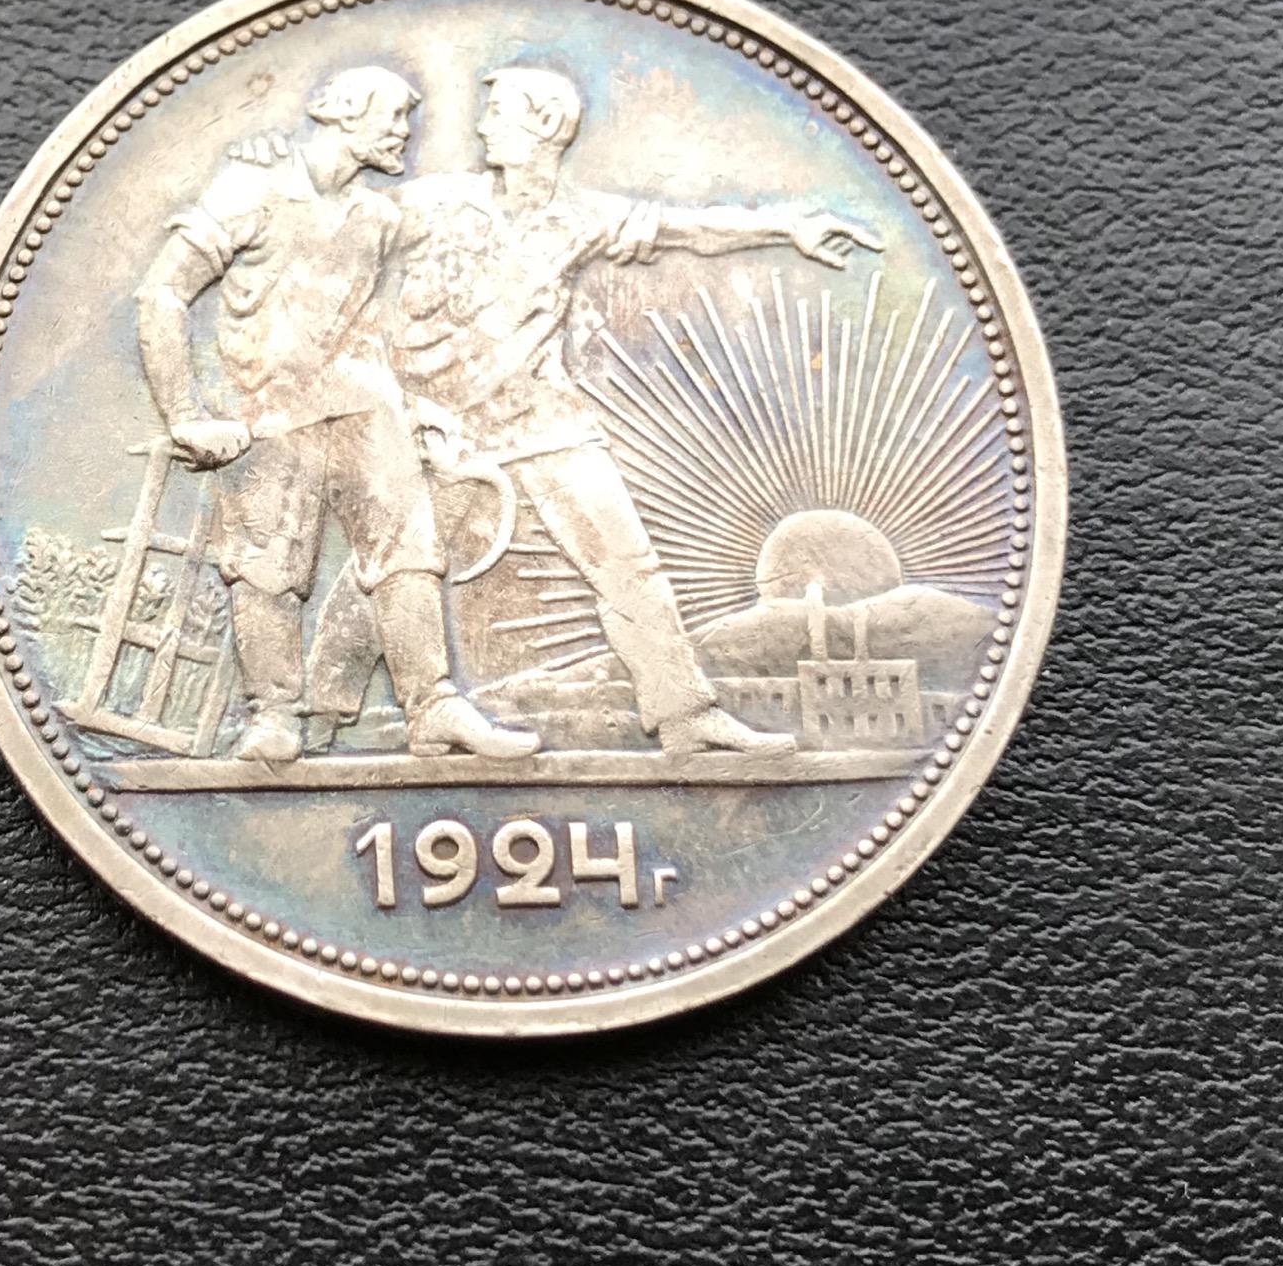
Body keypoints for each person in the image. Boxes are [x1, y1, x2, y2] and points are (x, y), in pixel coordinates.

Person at [296, 65, 881, 754]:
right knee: (390, 569)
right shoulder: (433, 202)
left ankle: (685, 714)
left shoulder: (580, 217)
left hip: (544, 422)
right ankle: (318, 713)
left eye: (498, 111)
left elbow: (687, 230)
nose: (482, 124)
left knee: (627, 563)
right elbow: (330, 246)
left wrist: (787, 227)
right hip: (439, 427)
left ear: (544, 124)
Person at [135, 65, 537, 764]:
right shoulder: (252, 188)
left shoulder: (377, 216)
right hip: (268, 415)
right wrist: (185, 414)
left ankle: (433, 707)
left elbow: (367, 324)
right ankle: (272, 714)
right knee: (266, 566)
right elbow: (163, 294)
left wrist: (411, 404)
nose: (404, 133)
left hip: (365, 409)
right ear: (346, 112)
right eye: (393, 116)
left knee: (410, 553)